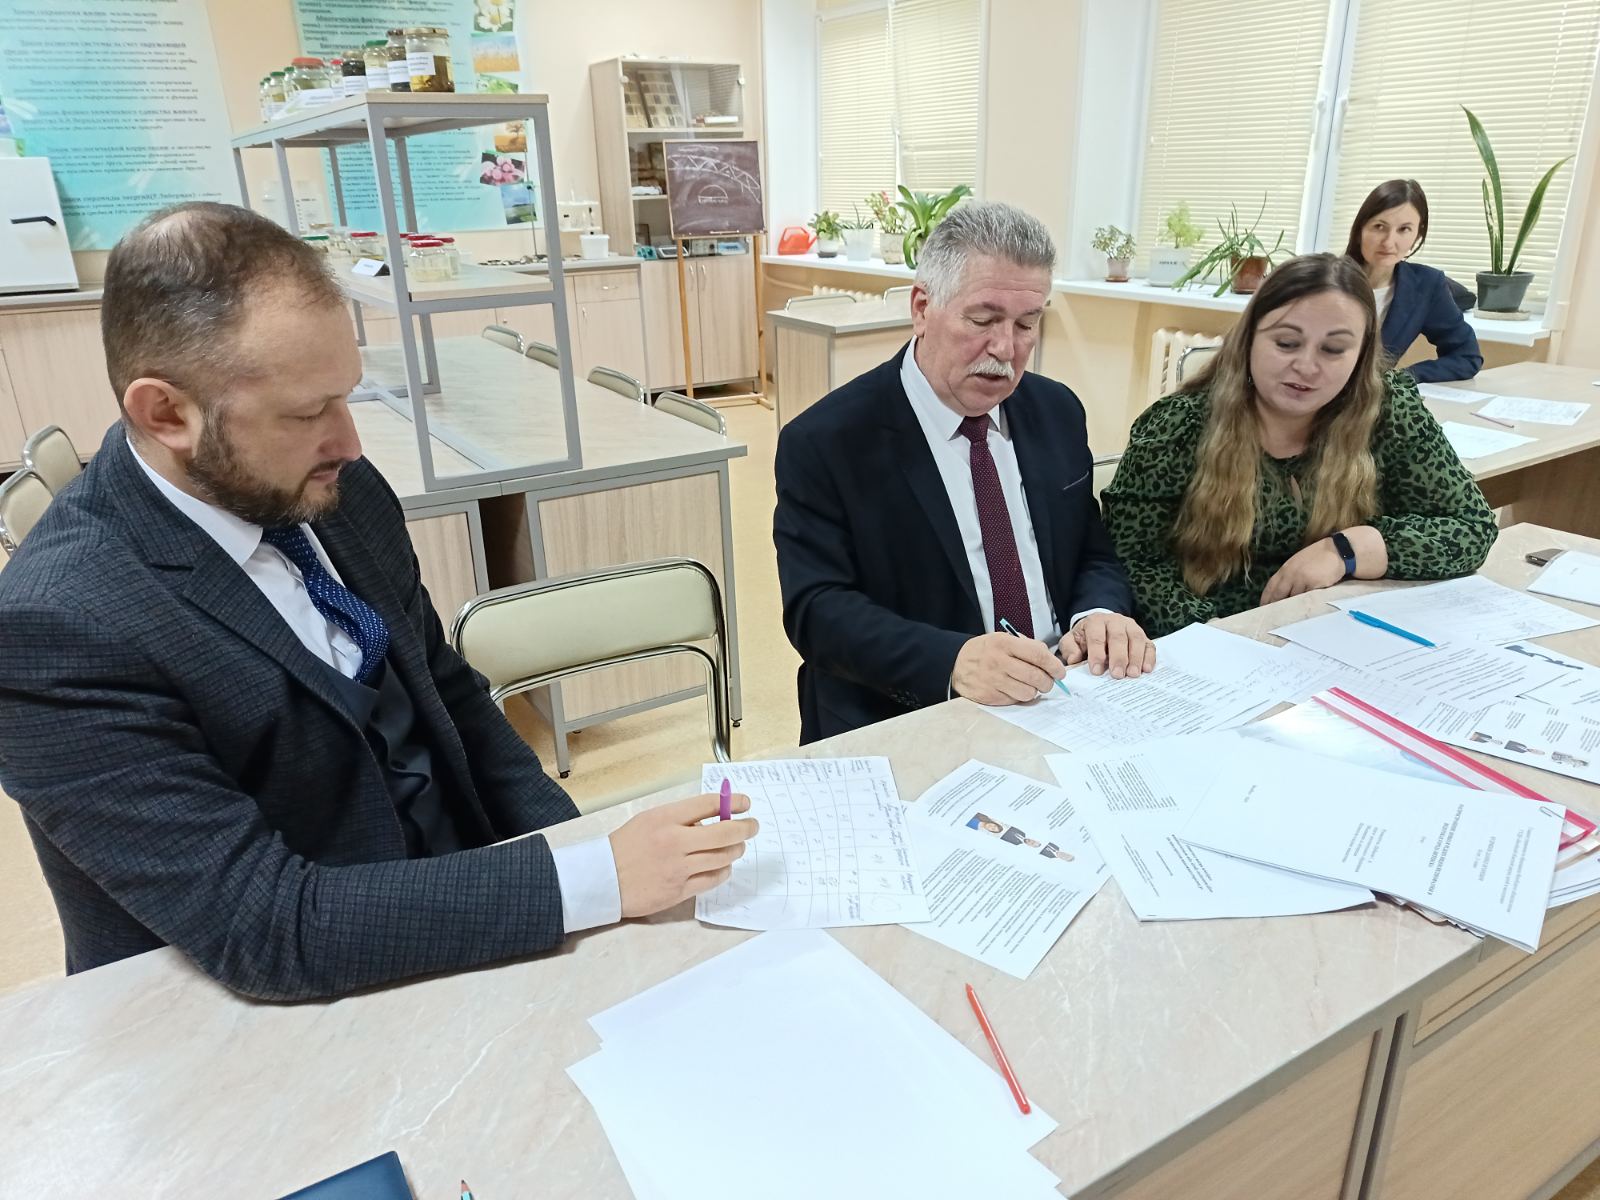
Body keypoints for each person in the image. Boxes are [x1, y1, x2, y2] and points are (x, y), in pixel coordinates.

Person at [0, 202, 757, 1002]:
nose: (349, 443)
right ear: (166, 413)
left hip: (462, 917)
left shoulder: (336, 491)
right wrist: (591, 880)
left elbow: (447, 692)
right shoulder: (58, 626)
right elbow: (264, 926)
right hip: (277, 1010)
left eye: (346, 397)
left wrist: (580, 847)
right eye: (306, 413)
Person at [773, 202, 1151, 743]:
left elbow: (1090, 550)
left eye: (1027, 324)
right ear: (922, 308)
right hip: (913, 709)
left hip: (1063, 696)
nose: (1005, 348)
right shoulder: (828, 441)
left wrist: (1097, 612)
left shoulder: (1056, 411)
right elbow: (818, 609)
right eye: (982, 320)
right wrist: (950, 661)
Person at [1102, 252, 1497, 638]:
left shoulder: (1389, 411)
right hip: (1221, 634)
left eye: (1333, 350)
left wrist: (1345, 550)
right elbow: (1134, 562)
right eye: (1287, 343)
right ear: (1249, 338)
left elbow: (1471, 526)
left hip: (1341, 631)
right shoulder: (1177, 427)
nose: (1306, 367)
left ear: (1361, 355)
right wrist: (1218, 636)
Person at [1346, 178, 1482, 382]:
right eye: (1379, 226)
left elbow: (1467, 356)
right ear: (1360, 230)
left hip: (1373, 397)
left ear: (1417, 235)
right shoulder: (1325, 279)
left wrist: (1401, 378)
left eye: (1404, 229)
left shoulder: (1426, 285)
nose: (1389, 242)